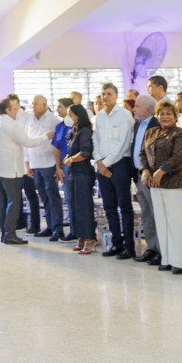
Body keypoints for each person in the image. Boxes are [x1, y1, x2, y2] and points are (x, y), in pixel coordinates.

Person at [0, 95, 56, 245]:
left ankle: (4, 233)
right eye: (15, 109)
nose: (17, 112)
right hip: (11, 169)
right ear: (7, 110)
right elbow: (28, 142)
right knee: (14, 202)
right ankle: (10, 234)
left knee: (2, 202)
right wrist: (46, 136)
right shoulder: (11, 125)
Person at [142, 101, 182, 274]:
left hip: (175, 184)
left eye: (169, 114)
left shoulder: (181, 134)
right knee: (161, 223)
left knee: (176, 223)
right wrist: (145, 171)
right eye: (161, 114)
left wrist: (161, 171)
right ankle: (166, 259)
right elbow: (143, 153)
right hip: (155, 185)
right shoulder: (151, 132)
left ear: (175, 116)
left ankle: (179, 262)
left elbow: (179, 156)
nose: (165, 117)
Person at [93, 83, 137, 259]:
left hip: (119, 165)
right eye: (103, 94)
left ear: (116, 96)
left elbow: (123, 144)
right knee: (109, 207)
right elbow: (95, 140)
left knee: (124, 207)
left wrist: (105, 163)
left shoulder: (124, 115)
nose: (105, 97)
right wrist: (99, 162)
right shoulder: (99, 116)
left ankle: (129, 247)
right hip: (102, 164)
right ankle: (116, 244)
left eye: (109, 93)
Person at [58, 98, 96, 253]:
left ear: (78, 116)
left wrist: (72, 159)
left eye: (71, 115)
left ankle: (90, 238)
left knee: (84, 206)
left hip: (83, 172)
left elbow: (86, 152)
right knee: (74, 206)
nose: (68, 117)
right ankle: (80, 236)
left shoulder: (85, 131)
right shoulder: (74, 131)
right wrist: (68, 158)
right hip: (73, 173)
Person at [26, 95, 65, 240]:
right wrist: (27, 163)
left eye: (36, 103)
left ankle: (58, 229)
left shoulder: (54, 120)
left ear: (44, 104)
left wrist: (59, 166)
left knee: (52, 196)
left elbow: (59, 144)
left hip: (49, 163)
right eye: (32, 103)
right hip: (35, 164)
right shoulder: (29, 120)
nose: (33, 106)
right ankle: (49, 226)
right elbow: (26, 141)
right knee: (43, 196)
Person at [129, 95, 161, 265]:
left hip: (150, 175)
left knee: (156, 213)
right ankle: (151, 247)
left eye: (137, 106)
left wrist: (148, 171)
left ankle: (161, 251)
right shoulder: (137, 125)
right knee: (146, 213)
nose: (134, 109)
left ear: (148, 109)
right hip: (138, 175)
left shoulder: (156, 125)